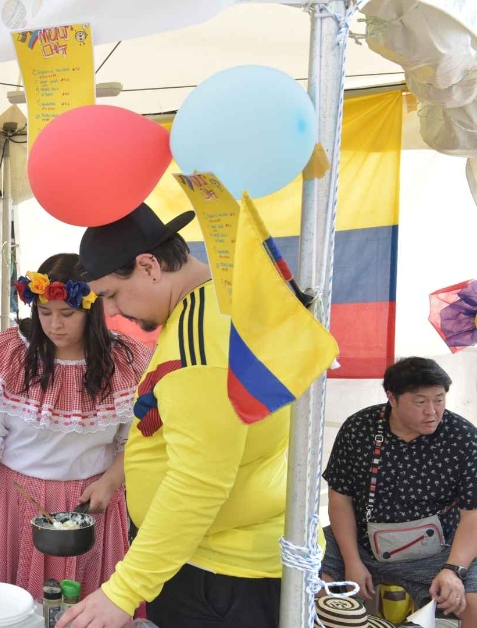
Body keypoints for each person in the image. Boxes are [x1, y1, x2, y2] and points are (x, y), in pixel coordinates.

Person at [58, 204, 291, 628]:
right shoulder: (214, 302)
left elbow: (198, 483)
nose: (109, 313)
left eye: (110, 294)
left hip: (221, 575)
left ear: (148, 266)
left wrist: (123, 591)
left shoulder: (200, 345)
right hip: (218, 561)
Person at [0, 253, 152, 600]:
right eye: (45, 313)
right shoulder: (11, 354)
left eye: (67, 314)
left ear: (91, 313)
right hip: (14, 501)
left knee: (81, 606)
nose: (55, 325)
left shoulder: (123, 361)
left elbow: (135, 441)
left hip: (90, 506)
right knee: (6, 607)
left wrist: (110, 482)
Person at [321, 357, 477, 625]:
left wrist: (453, 569)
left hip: (438, 548)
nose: (432, 411)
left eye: (439, 400)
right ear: (391, 398)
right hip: (360, 539)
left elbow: (472, 514)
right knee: (312, 583)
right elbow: (340, 497)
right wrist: (352, 560)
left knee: (471, 603)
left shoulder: (463, 437)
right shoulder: (359, 427)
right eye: (420, 402)